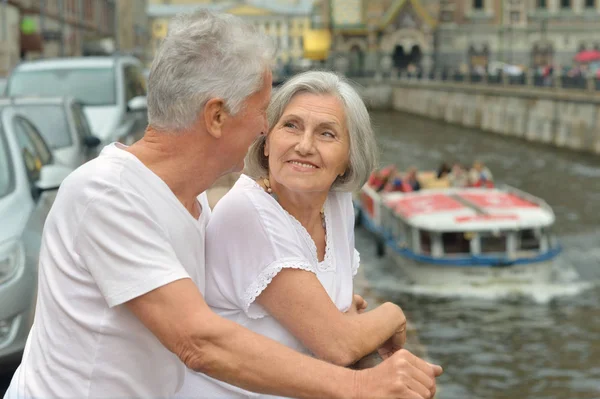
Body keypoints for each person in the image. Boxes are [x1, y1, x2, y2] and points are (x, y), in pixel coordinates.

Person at [6, 10, 441, 399]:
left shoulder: (191, 199)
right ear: (216, 117)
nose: (266, 126)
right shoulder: (107, 194)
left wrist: (337, 312)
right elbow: (200, 342)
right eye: (263, 110)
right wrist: (360, 385)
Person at [176, 71, 441, 399]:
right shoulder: (249, 214)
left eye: (327, 134)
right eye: (291, 126)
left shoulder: (337, 203)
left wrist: (345, 323)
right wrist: (393, 314)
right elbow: (339, 345)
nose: (304, 146)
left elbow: (340, 323)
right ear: (267, 141)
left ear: (347, 159)